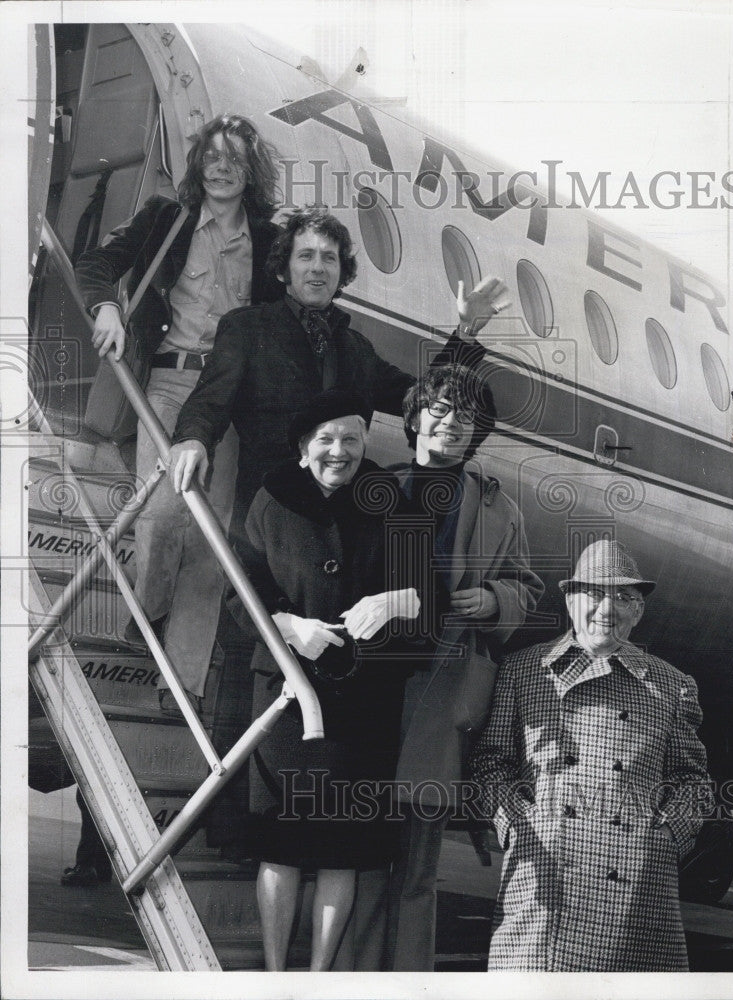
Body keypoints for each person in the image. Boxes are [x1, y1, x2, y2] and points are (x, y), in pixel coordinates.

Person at [75, 113, 283, 716]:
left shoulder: (269, 240)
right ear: (199, 165)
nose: (220, 167)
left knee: (212, 542)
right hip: (167, 383)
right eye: (211, 157)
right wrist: (107, 309)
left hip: (229, 400)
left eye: (233, 159)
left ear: (251, 171)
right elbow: (97, 265)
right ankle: (150, 610)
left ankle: (182, 682)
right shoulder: (167, 218)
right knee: (163, 514)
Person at [168, 204, 509, 546]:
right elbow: (210, 399)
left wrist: (466, 331)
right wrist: (192, 439)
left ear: (341, 273)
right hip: (270, 518)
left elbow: (422, 399)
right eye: (306, 256)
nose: (317, 268)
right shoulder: (246, 328)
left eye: (329, 258)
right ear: (284, 270)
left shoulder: (357, 349)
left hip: (340, 528)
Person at [230, 389, 429, 971]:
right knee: (282, 843)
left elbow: (431, 600)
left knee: (343, 848)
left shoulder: (392, 500)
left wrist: (401, 600)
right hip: (287, 698)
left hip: (363, 703)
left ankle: (319, 976)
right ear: (302, 450)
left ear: (367, 443)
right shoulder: (270, 500)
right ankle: (274, 973)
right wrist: (286, 625)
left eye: (351, 438)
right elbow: (239, 593)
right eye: (325, 439)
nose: (338, 451)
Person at [469, 539, 711, 972]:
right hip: (544, 874)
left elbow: (694, 782)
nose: (607, 608)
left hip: (637, 884)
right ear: (569, 600)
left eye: (623, 597)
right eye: (594, 593)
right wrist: (518, 825)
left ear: (639, 611)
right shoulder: (524, 669)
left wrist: (665, 837)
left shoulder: (672, 684)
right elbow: (490, 763)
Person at [378, 363, 544, 972]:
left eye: (466, 417)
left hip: (443, 695)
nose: (452, 425)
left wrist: (496, 599)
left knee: (418, 858)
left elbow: (529, 589)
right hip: (370, 691)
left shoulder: (500, 508)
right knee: (359, 845)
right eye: (441, 411)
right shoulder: (379, 488)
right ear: (416, 419)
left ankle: (406, 976)